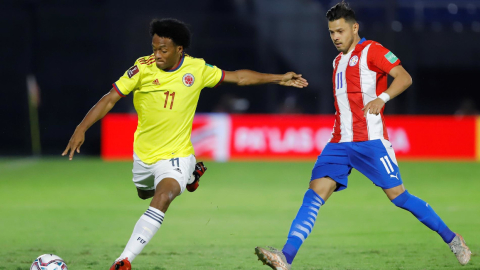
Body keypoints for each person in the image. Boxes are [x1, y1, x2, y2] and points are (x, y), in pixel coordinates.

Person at [62, 18, 308, 270]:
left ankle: (123, 260)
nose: (156, 54)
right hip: (144, 156)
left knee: (164, 195)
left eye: (163, 50)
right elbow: (110, 98)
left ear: (180, 49)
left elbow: (239, 78)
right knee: (144, 193)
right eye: (154, 48)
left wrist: (279, 78)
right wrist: (82, 127)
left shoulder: (196, 69)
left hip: (176, 154)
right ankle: (191, 176)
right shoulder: (141, 68)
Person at [254, 2, 471, 269]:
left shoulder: (373, 50)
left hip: (370, 142)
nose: (335, 37)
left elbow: (404, 78)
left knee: (399, 197)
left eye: (340, 31)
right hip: (339, 142)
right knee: (314, 194)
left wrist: (383, 98)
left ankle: (452, 239)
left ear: (354, 28)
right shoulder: (337, 61)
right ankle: (286, 257)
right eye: (332, 32)